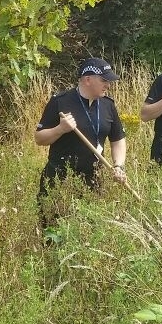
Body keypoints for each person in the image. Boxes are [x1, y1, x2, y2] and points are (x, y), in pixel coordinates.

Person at [34, 58, 128, 229]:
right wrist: (60, 129)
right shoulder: (60, 102)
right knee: (54, 231)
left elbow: (118, 140)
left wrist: (119, 166)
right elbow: (39, 138)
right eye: (104, 80)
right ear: (87, 79)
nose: (108, 85)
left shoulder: (108, 105)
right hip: (60, 178)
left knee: (89, 231)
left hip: (93, 179)